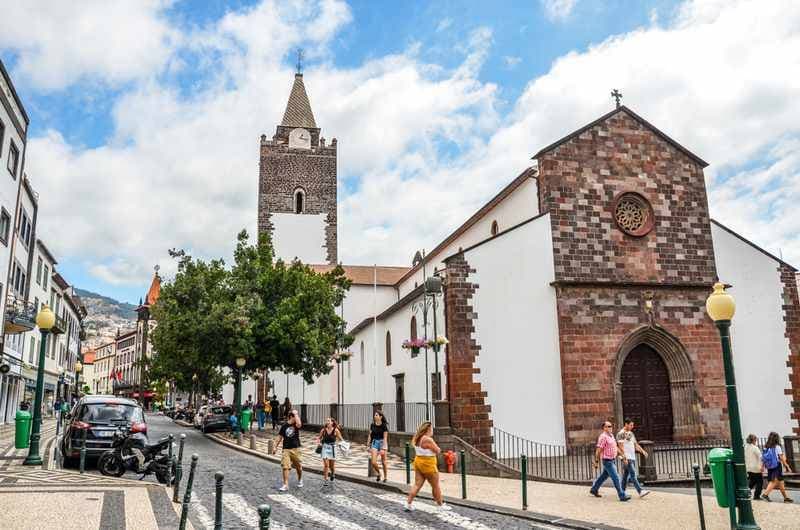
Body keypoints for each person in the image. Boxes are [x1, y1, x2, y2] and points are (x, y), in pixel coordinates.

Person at [405, 421, 450, 511]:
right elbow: (437, 450)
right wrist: (439, 449)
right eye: (432, 428)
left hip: (418, 461)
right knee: (435, 485)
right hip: (428, 463)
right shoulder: (428, 439)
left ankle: (408, 503)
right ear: (428, 429)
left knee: (417, 485)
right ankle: (440, 505)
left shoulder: (417, 437)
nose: (432, 430)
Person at [590, 421, 630, 501]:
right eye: (608, 426)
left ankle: (594, 489)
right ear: (604, 428)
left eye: (611, 426)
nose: (610, 428)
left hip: (612, 460)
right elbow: (598, 450)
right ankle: (622, 495)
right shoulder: (603, 437)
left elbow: (615, 447)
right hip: (607, 461)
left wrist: (622, 455)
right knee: (616, 478)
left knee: (603, 476)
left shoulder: (611, 436)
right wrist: (596, 461)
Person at [616, 419, 651, 498]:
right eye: (631, 425)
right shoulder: (621, 434)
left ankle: (622, 492)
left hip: (632, 457)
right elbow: (620, 446)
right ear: (626, 424)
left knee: (625, 476)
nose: (632, 427)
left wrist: (643, 451)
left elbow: (635, 444)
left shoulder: (631, 433)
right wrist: (624, 458)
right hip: (627, 457)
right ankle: (640, 491)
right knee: (633, 475)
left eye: (632, 425)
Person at [273, 409, 303, 492]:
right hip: (286, 449)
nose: (297, 418)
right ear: (291, 417)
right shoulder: (284, 426)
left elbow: (299, 424)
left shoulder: (296, 425)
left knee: (298, 467)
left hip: (296, 448)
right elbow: (279, 437)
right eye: (295, 417)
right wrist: (275, 447)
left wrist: (296, 413)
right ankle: (286, 484)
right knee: (285, 466)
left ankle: (300, 479)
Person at [761, 431, 794, 502]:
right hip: (776, 465)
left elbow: (763, 458)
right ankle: (765, 494)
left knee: (781, 482)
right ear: (776, 438)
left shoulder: (766, 447)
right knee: (774, 481)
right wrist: (787, 466)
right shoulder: (777, 447)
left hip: (770, 466)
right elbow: (781, 458)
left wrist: (763, 466)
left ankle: (785, 498)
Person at [317, 417, 343, 485]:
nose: (327, 422)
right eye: (326, 421)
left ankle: (333, 473)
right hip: (325, 447)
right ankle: (325, 479)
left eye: (329, 421)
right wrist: (319, 443)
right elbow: (319, 438)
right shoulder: (323, 430)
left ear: (332, 422)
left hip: (332, 448)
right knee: (326, 465)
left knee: (332, 466)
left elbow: (341, 439)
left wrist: (341, 444)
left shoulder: (336, 430)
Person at [367, 411, 389, 482]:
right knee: (373, 462)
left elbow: (385, 438)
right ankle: (379, 473)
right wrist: (368, 445)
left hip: (382, 443)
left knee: (384, 462)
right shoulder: (372, 425)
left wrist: (383, 448)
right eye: (375, 415)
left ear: (380, 417)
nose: (375, 416)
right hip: (375, 442)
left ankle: (385, 477)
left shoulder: (384, 426)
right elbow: (370, 435)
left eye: (376, 415)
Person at [745, 434, 764, 500]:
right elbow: (761, 457)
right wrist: (762, 466)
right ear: (753, 440)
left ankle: (745, 492)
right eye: (755, 440)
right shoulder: (754, 448)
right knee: (760, 482)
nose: (756, 441)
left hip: (748, 467)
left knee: (752, 481)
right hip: (756, 468)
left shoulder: (745, 447)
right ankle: (756, 496)